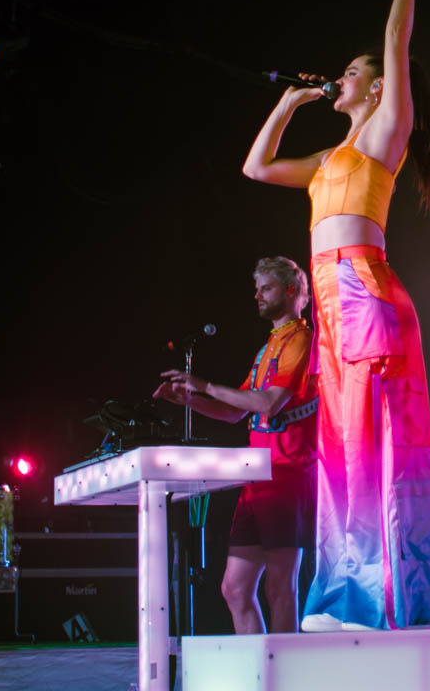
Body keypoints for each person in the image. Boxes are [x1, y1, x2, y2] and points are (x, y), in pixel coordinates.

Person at [240, 0, 430, 631]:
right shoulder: (328, 160)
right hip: (332, 303)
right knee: (342, 450)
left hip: (362, 287)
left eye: (352, 72)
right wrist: (288, 103)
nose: (342, 76)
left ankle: (380, 599)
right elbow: (256, 167)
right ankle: (345, 594)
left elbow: (396, 37)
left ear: (378, 87)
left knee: (373, 445)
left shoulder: (385, 135)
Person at [154, 256, 317, 634]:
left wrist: (205, 386)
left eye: (266, 288)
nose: (257, 296)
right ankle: (258, 663)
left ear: (291, 290)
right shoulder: (269, 346)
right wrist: (190, 400)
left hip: (287, 474)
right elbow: (235, 411)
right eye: (256, 289)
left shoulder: (301, 340)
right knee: (235, 588)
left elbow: (268, 404)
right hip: (256, 477)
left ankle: (283, 665)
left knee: (280, 588)